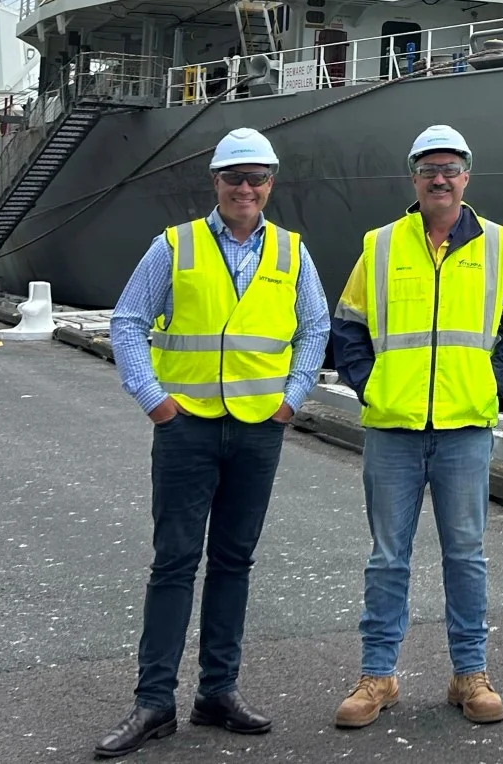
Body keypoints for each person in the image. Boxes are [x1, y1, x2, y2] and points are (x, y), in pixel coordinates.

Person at [96, 127, 331, 759]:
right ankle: (154, 702)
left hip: (259, 429)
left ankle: (217, 691)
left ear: (270, 184)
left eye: (257, 178)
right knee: (174, 561)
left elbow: (315, 325)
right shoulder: (174, 247)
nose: (246, 188)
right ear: (216, 184)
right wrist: (155, 401)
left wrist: (292, 399)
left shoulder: (291, 252)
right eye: (235, 178)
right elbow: (128, 321)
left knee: (234, 561)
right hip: (187, 428)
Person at [329, 123, 503, 729]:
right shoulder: (381, 245)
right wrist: (373, 386)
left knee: (466, 556)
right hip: (393, 426)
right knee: (387, 557)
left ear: (467, 176)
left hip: (464, 427)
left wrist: (486, 386)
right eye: (428, 169)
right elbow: (349, 324)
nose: (439, 179)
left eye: (450, 168)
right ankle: (377, 676)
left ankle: (470, 674)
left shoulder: (500, 246)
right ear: (413, 177)